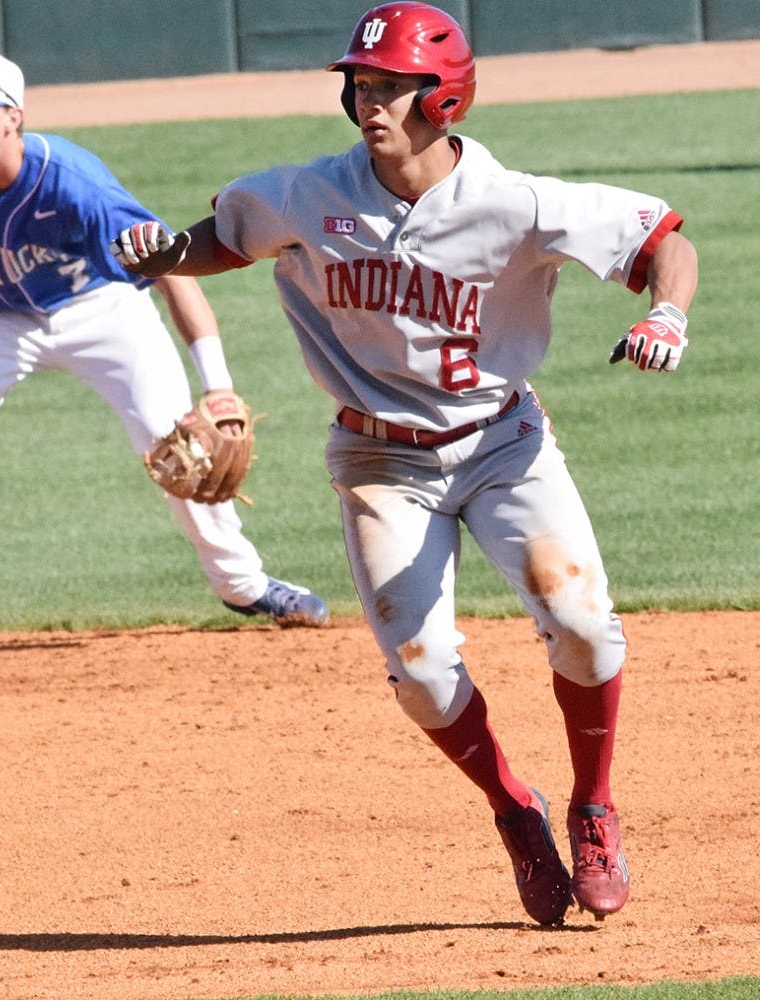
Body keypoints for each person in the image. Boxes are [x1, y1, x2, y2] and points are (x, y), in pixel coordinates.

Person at [111, 2, 698, 925]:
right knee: (422, 676)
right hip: (379, 457)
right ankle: (515, 810)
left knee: (581, 623)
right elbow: (225, 237)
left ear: (445, 98)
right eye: (361, 84)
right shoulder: (311, 193)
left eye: (390, 85)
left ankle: (593, 804)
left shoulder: (515, 202)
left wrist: (665, 314)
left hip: (503, 443)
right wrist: (165, 253)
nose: (368, 100)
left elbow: (664, 240)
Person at [0, 50, 328, 654]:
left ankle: (243, 583)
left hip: (103, 310)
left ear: (13, 116)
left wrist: (217, 382)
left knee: (175, 441)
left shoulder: (72, 180)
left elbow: (171, 265)